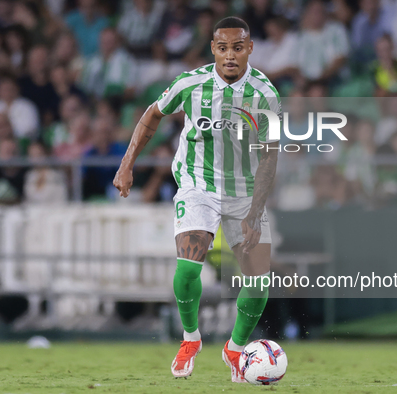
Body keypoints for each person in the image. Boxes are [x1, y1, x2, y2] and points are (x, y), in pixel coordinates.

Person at [113, 17, 280, 382]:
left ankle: (235, 349)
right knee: (188, 269)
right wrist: (127, 166)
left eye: (238, 47)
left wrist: (255, 211)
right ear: (213, 49)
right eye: (223, 48)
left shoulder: (265, 94)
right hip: (197, 184)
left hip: (244, 191)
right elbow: (151, 116)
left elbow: (270, 155)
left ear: (250, 48)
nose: (231, 55)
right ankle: (190, 339)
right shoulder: (191, 83)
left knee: (259, 283)